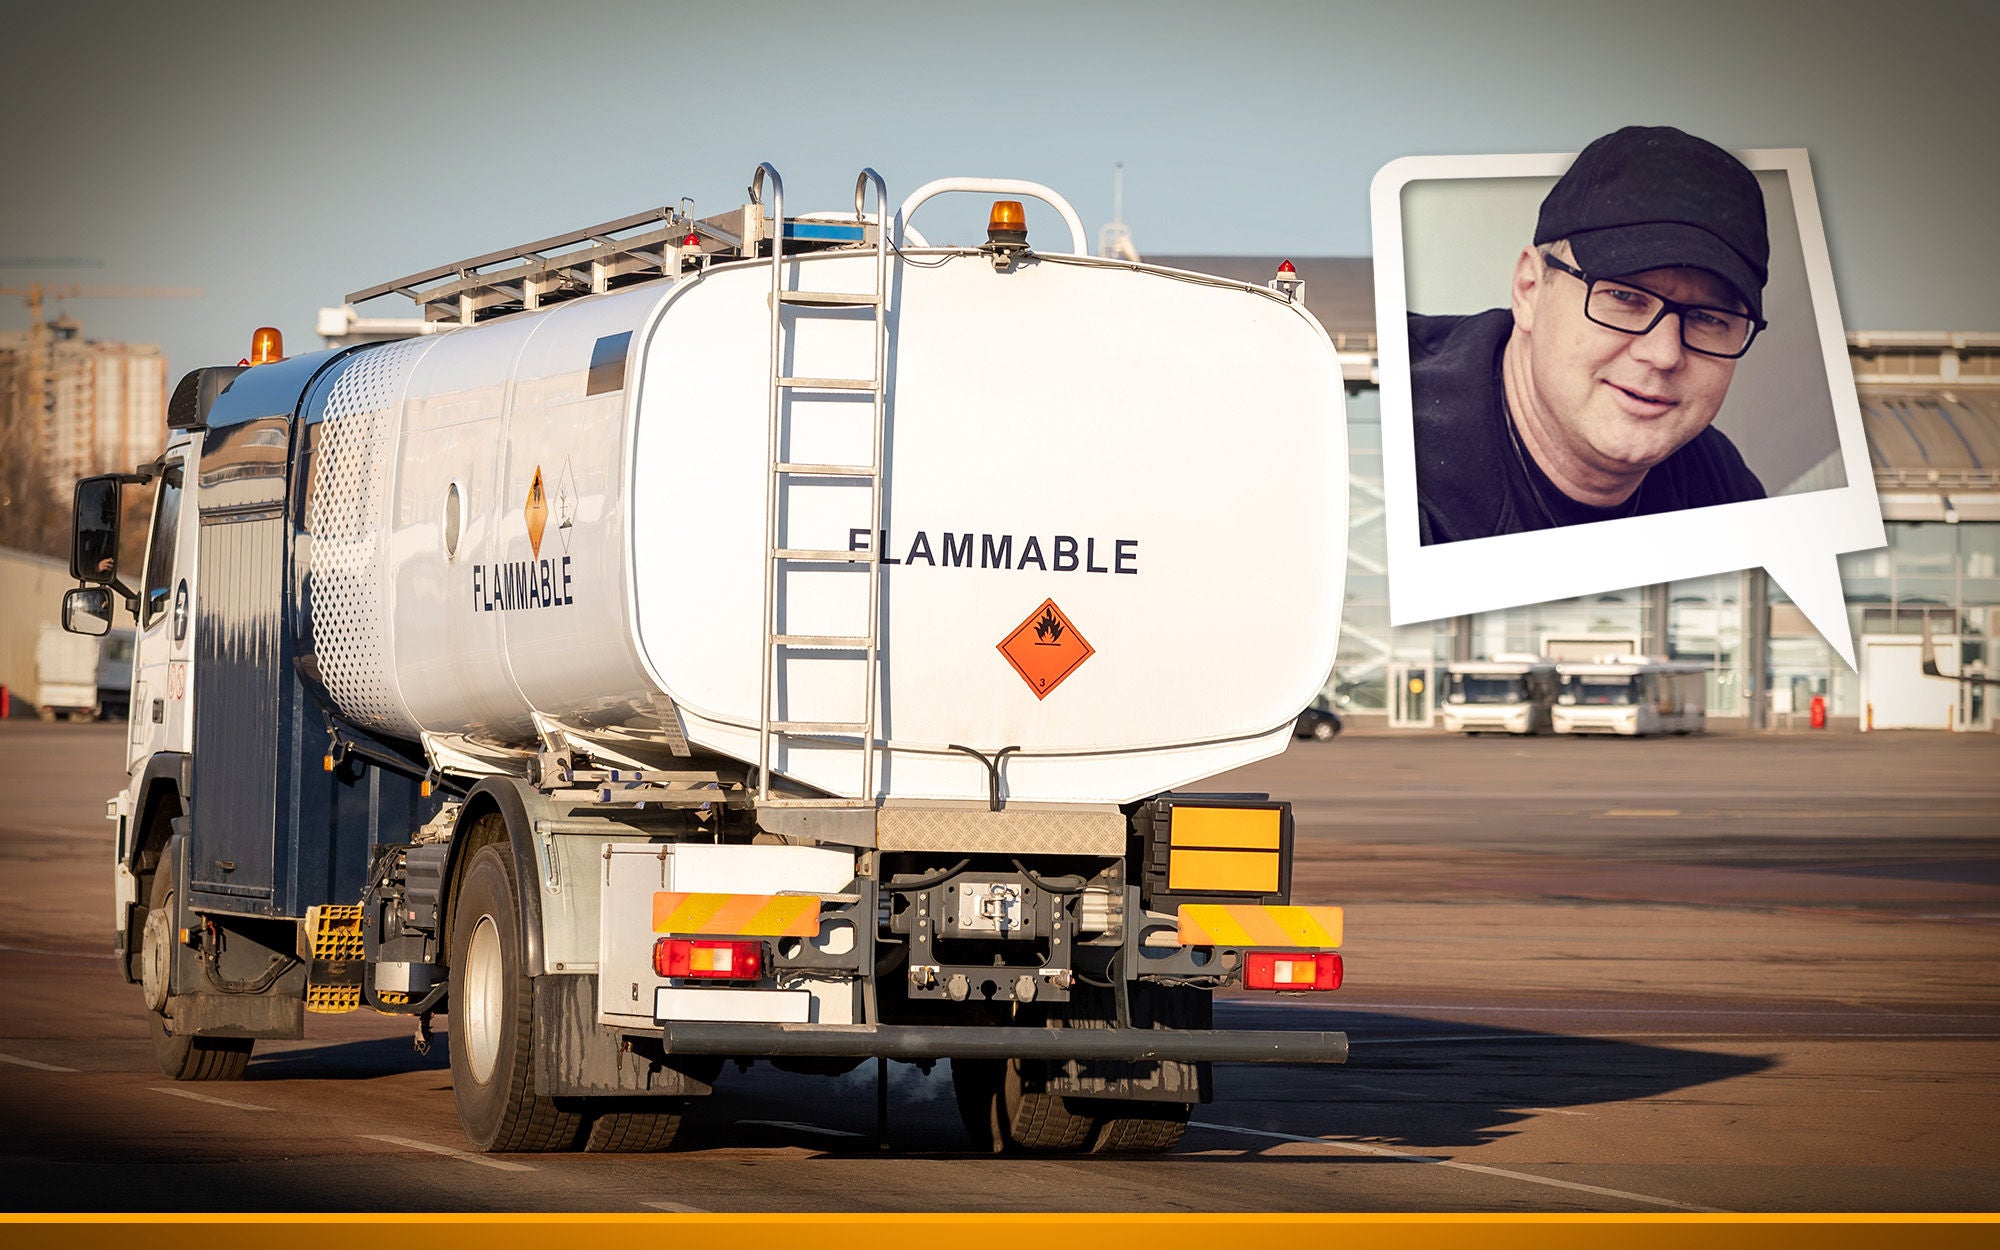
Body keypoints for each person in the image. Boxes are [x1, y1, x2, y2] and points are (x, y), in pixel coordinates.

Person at [1411, 125, 1771, 545]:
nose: (1664, 354)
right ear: (1529, 289)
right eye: (1623, 296)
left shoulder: (1723, 492)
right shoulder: (1391, 444)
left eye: (1708, 318)